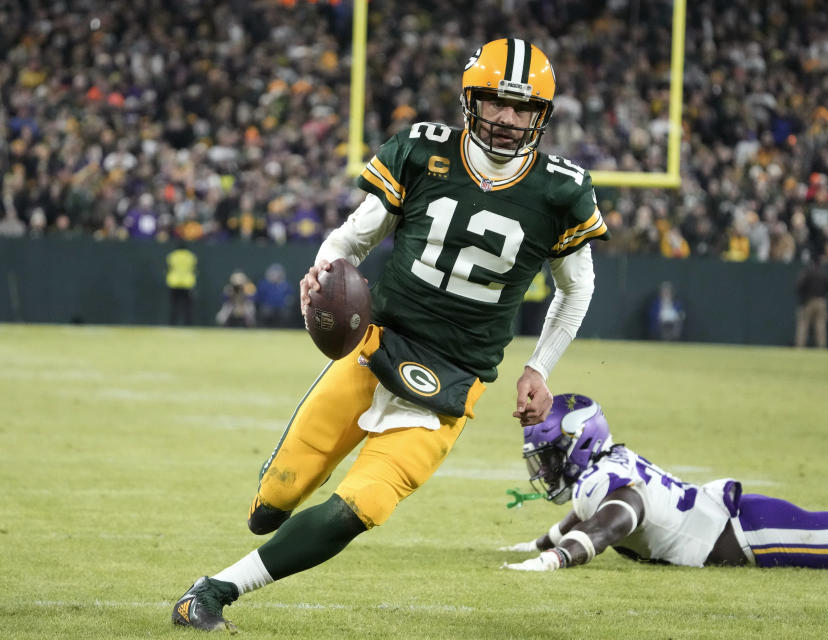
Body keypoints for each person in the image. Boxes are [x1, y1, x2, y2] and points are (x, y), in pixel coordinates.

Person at [172, 38, 608, 632]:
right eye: (494, 103)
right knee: (272, 503)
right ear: (469, 101)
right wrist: (321, 272)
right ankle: (261, 533)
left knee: (360, 507)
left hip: (453, 382)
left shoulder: (561, 190)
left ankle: (214, 591)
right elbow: (353, 238)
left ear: (541, 116)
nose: (506, 118)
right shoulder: (421, 150)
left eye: (521, 108)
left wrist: (539, 368)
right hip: (374, 348)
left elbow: (576, 287)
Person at [500, 375, 828, 572]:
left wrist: (555, 559)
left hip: (752, 533)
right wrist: (539, 543)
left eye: (551, 455)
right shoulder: (600, 471)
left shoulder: (606, 485)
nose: (544, 467)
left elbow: (618, 515)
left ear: (579, 444)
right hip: (742, 522)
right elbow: (585, 514)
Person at [794, 257, 828, 348]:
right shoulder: (824, 274)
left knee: (803, 325)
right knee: (820, 326)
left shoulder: (806, 273)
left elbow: (799, 287)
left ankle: (799, 346)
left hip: (808, 301)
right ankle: (821, 347)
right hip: (821, 301)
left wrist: (802, 297)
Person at [166, 242, 197, 326]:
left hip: (174, 283)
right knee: (187, 306)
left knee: (174, 306)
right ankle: (188, 324)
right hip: (187, 283)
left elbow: (169, 267)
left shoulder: (172, 256)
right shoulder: (190, 256)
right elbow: (193, 269)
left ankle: (172, 323)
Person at [255, 263, 295, 328]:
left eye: (277, 273)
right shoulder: (264, 284)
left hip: (281, 307)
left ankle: (283, 329)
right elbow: (259, 297)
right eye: (273, 273)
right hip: (268, 307)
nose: (275, 275)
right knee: (266, 311)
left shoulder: (285, 285)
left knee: (285, 313)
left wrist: (288, 302)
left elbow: (290, 297)